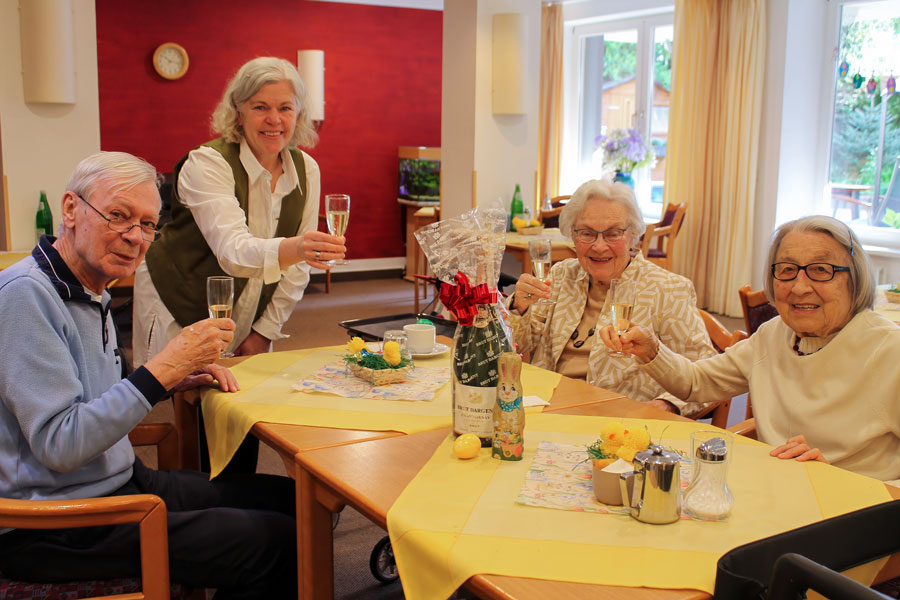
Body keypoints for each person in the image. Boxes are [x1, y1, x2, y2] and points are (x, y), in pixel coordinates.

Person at [0, 151, 298, 597]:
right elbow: (60, 444)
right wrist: (162, 369)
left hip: (117, 481)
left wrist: (171, 379)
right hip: (55, 522)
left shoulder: (87, 285)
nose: (134, 237)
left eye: (146, 224)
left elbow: (92, 395)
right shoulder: (26, 297)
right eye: (118, 216)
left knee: (296, 503)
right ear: (70, 209)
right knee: (279, 542)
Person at [601, 215, 900, 484]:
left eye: (821, 270)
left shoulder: (889, 352)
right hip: (776, 493)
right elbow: (696, 383)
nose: (799, 287)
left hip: (855, 517)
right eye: (787, 270)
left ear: (855, 277)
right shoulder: (773, 335)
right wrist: (652, 349)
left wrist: (841, 483)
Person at [133, 56, 346, 364]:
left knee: (238, 390)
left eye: (285, 108)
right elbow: (232, 252)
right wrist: (298, 247)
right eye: (260, 107)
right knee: (174, 391)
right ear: (238, 112)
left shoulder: (307, 170)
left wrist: (266, 330)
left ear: (298, 114)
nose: (274, 119)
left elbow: (297, 268)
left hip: (246, 306)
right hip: (177, 298)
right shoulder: (207, 163)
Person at [510, 179, 717, 416]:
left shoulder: (668, 290)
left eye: (613, 234)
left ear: (634, 236)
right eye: (586, 233)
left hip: (618, 422)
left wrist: (666, 405)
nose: (599, 246)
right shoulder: (560, 275)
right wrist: (519, 309)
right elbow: (518, 346)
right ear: (572, 236)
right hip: (545, 408)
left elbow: (704, 372)